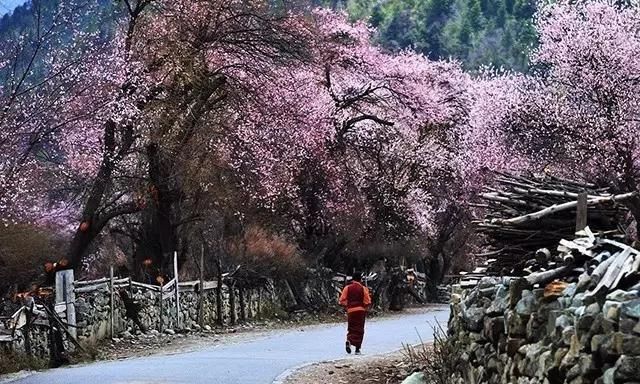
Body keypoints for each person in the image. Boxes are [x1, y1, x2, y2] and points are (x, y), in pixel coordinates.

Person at [339, 271, 371, 355]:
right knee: (359, 330)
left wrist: (348, 305)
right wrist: (364, 306)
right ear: (360, 279)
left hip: (351, 311)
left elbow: (341, 300)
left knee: (351, 328)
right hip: (360, 311)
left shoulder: (347, 288)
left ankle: (349, 340)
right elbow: (367, 301)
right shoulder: (363, 288)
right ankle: (357, 349)